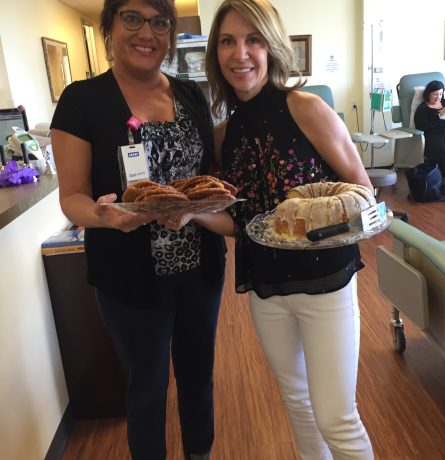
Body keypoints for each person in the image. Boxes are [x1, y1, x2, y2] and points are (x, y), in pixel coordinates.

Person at [164, 0, 374, 458]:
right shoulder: (224, 134)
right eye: (228, 41)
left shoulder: (305, 107)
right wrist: (192, 213)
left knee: (337, 417)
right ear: (216, 54)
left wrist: (327, 222)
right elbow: (239, 221)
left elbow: (363, 191)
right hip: (266, 289)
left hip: (326, 284)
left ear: (271, 47)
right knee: (298, 405)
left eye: (253, 39)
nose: (241, 53)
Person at [50, 0, 226, 459]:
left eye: (159, 22)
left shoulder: (191, 95)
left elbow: (208, 174)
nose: (146, 32)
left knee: (198, 377)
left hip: (200, 268)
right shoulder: (81, 101)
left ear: (169, 33)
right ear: (109, 27)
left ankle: (199, 454)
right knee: (146, 388)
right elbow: (72, 195)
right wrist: (104, 215)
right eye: (132, 18)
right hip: (128, 276)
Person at [414, 80, 445, 198]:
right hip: (435, 135)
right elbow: (421, 126)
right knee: (444, 149)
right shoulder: (423, 108)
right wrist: (439, 116)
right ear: (428, 94)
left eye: (440, 93)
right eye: (435, 94)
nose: (438, 97)